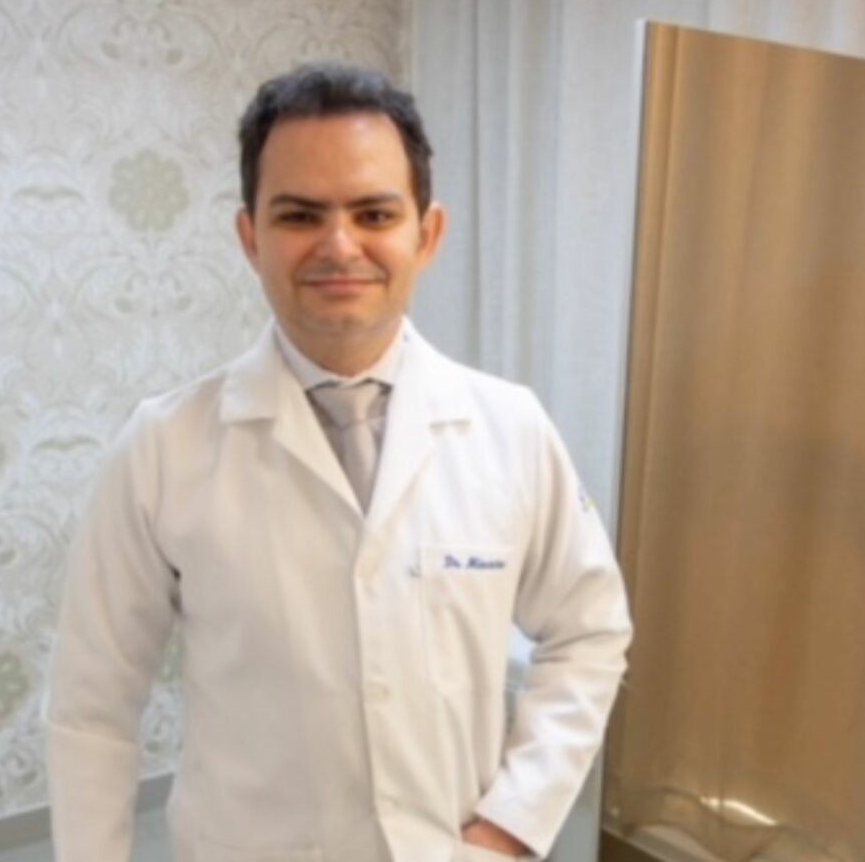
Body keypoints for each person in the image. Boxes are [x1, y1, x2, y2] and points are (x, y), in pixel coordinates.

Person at [45, 63, 632, 862]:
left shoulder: (512, 429)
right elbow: (91, 706)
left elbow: (589, 633)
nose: (339, 245)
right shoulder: (162, 447)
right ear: (250, 237)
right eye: (299, 215)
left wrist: (509, 829)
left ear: (427, 235)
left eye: (374, 213)